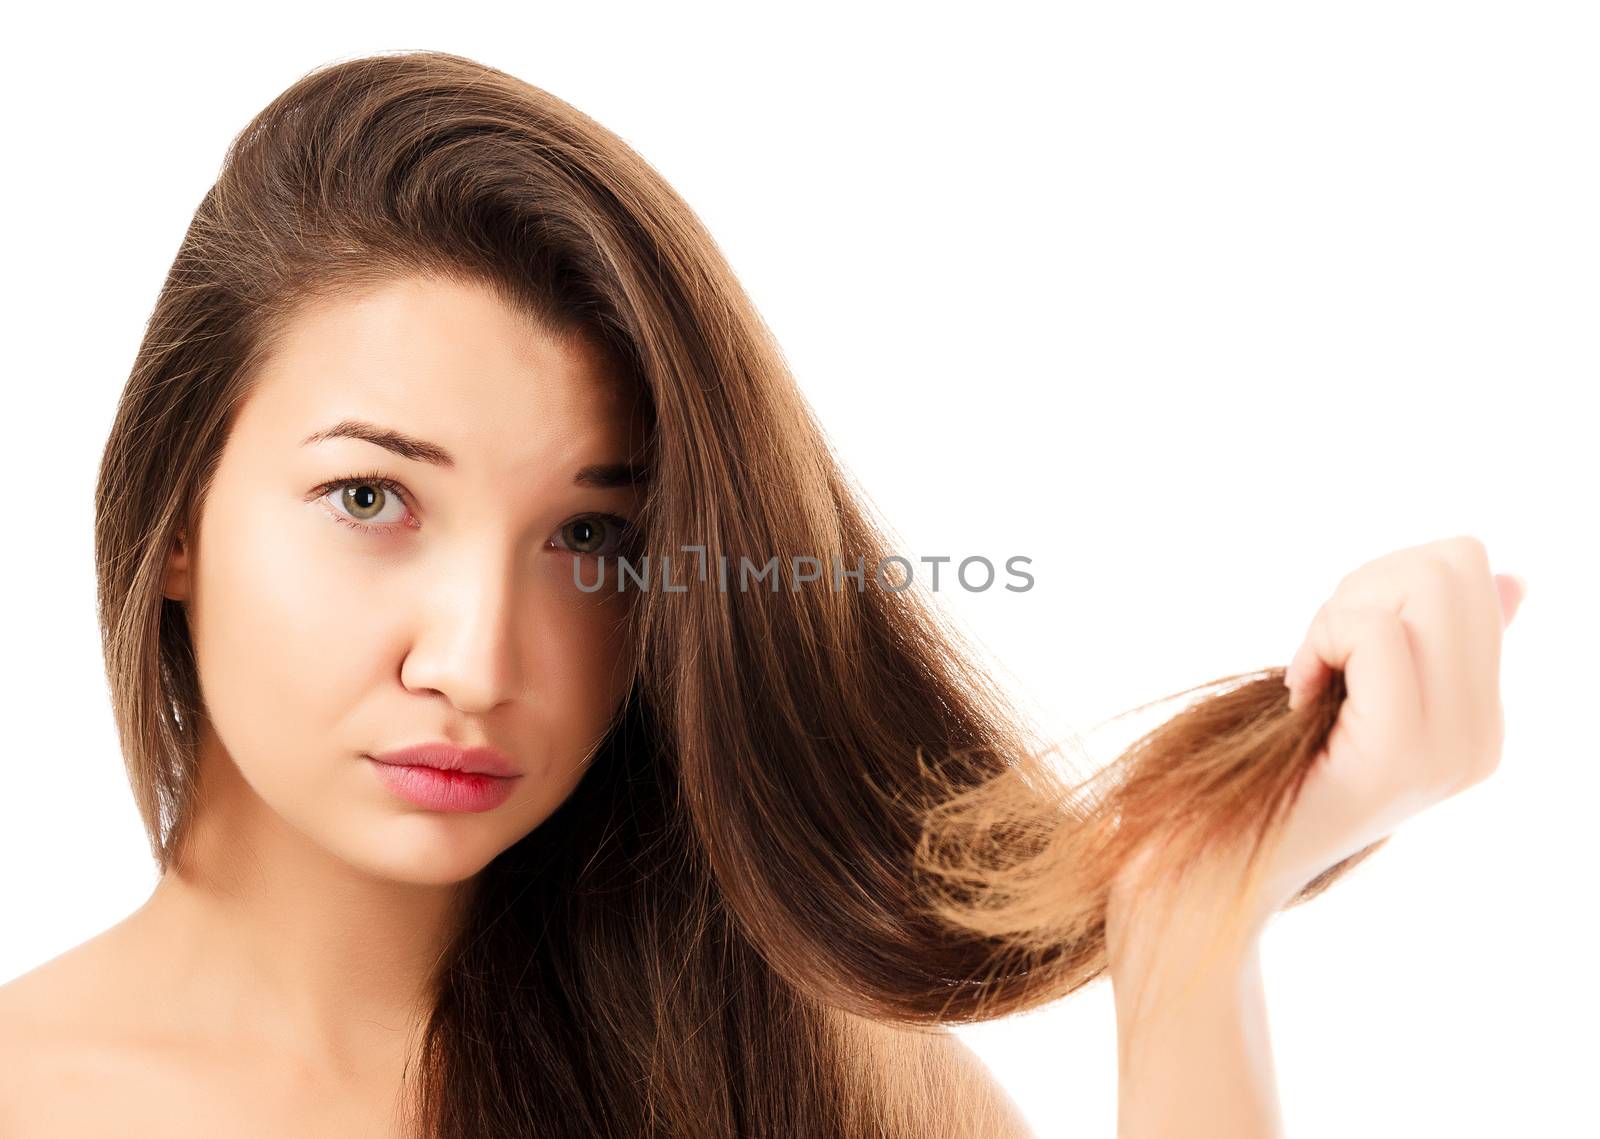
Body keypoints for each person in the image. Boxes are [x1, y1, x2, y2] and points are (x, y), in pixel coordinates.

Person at [0, 50, 1524, 1138]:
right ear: (176, 516)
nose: (476, 660)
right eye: (371, 498)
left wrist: (1194, 920)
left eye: (594, 543)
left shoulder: (806, 1081)